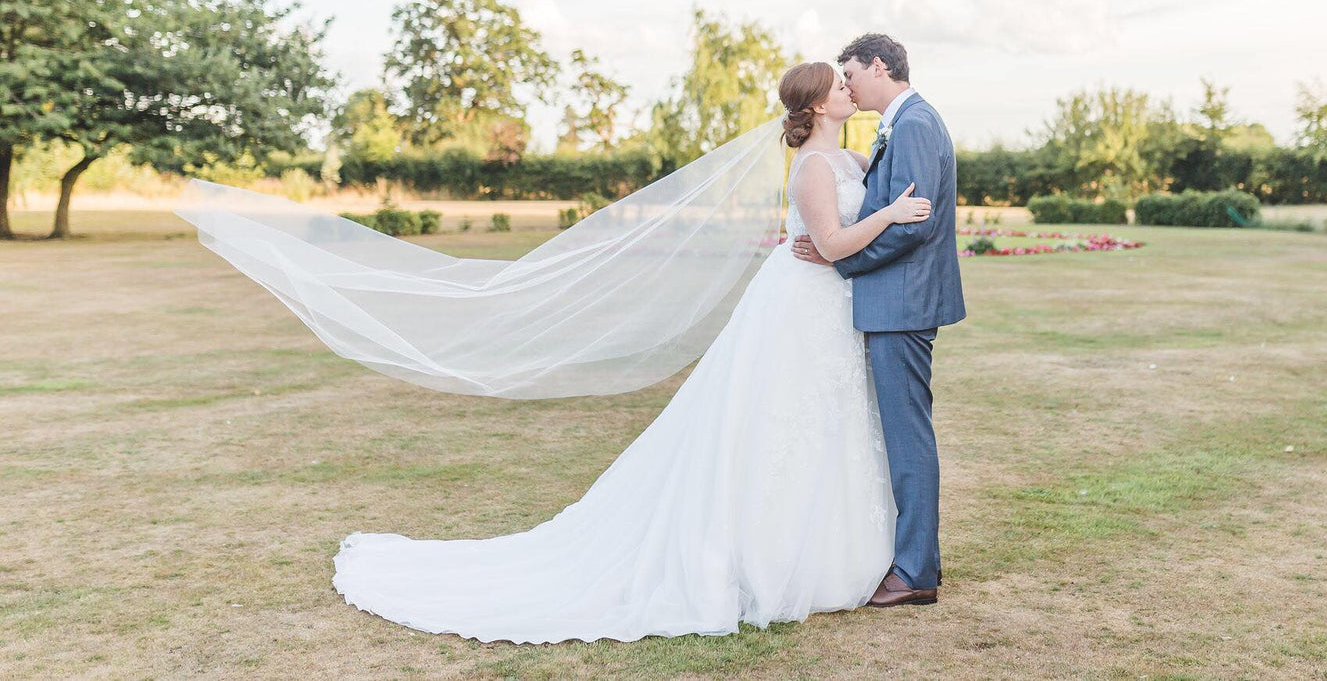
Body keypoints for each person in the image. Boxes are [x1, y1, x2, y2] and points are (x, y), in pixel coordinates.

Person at [330, 60, 933, 643]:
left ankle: (835, 548)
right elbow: (828, 243)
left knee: (831, 423)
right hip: (803, 305)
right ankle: (770, 556)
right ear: (816, 104)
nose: (848, 89)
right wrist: (888, 215)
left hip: (831, 310)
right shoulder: (812, 170)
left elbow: (853, 203)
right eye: (838, 84)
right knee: (785, 421)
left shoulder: (849, 157)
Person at [790, 33, 966, 608]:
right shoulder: (897, 125)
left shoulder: (912, 124)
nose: (848, 85)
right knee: (896, 432)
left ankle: (916, 571)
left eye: (852, 74)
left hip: (902, 304)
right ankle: (906, 559)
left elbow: (912, 224)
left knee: (907, 435)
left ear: (879, 66)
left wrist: (840, 258)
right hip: (896, 301)